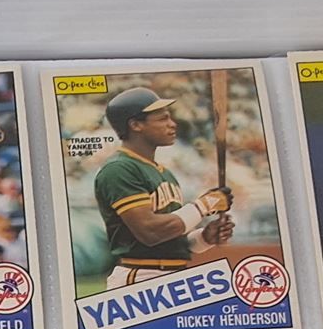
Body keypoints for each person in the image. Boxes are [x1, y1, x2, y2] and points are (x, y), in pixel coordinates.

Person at [93, 86, 234, 287]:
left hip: (171, 274)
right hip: (140, 276)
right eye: (162, 119)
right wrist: (205, 205)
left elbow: (171, 240)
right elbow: (150, 233)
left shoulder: (164, 172)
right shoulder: (119, 168)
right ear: (135, 125)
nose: (172, 124)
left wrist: (204, 238)